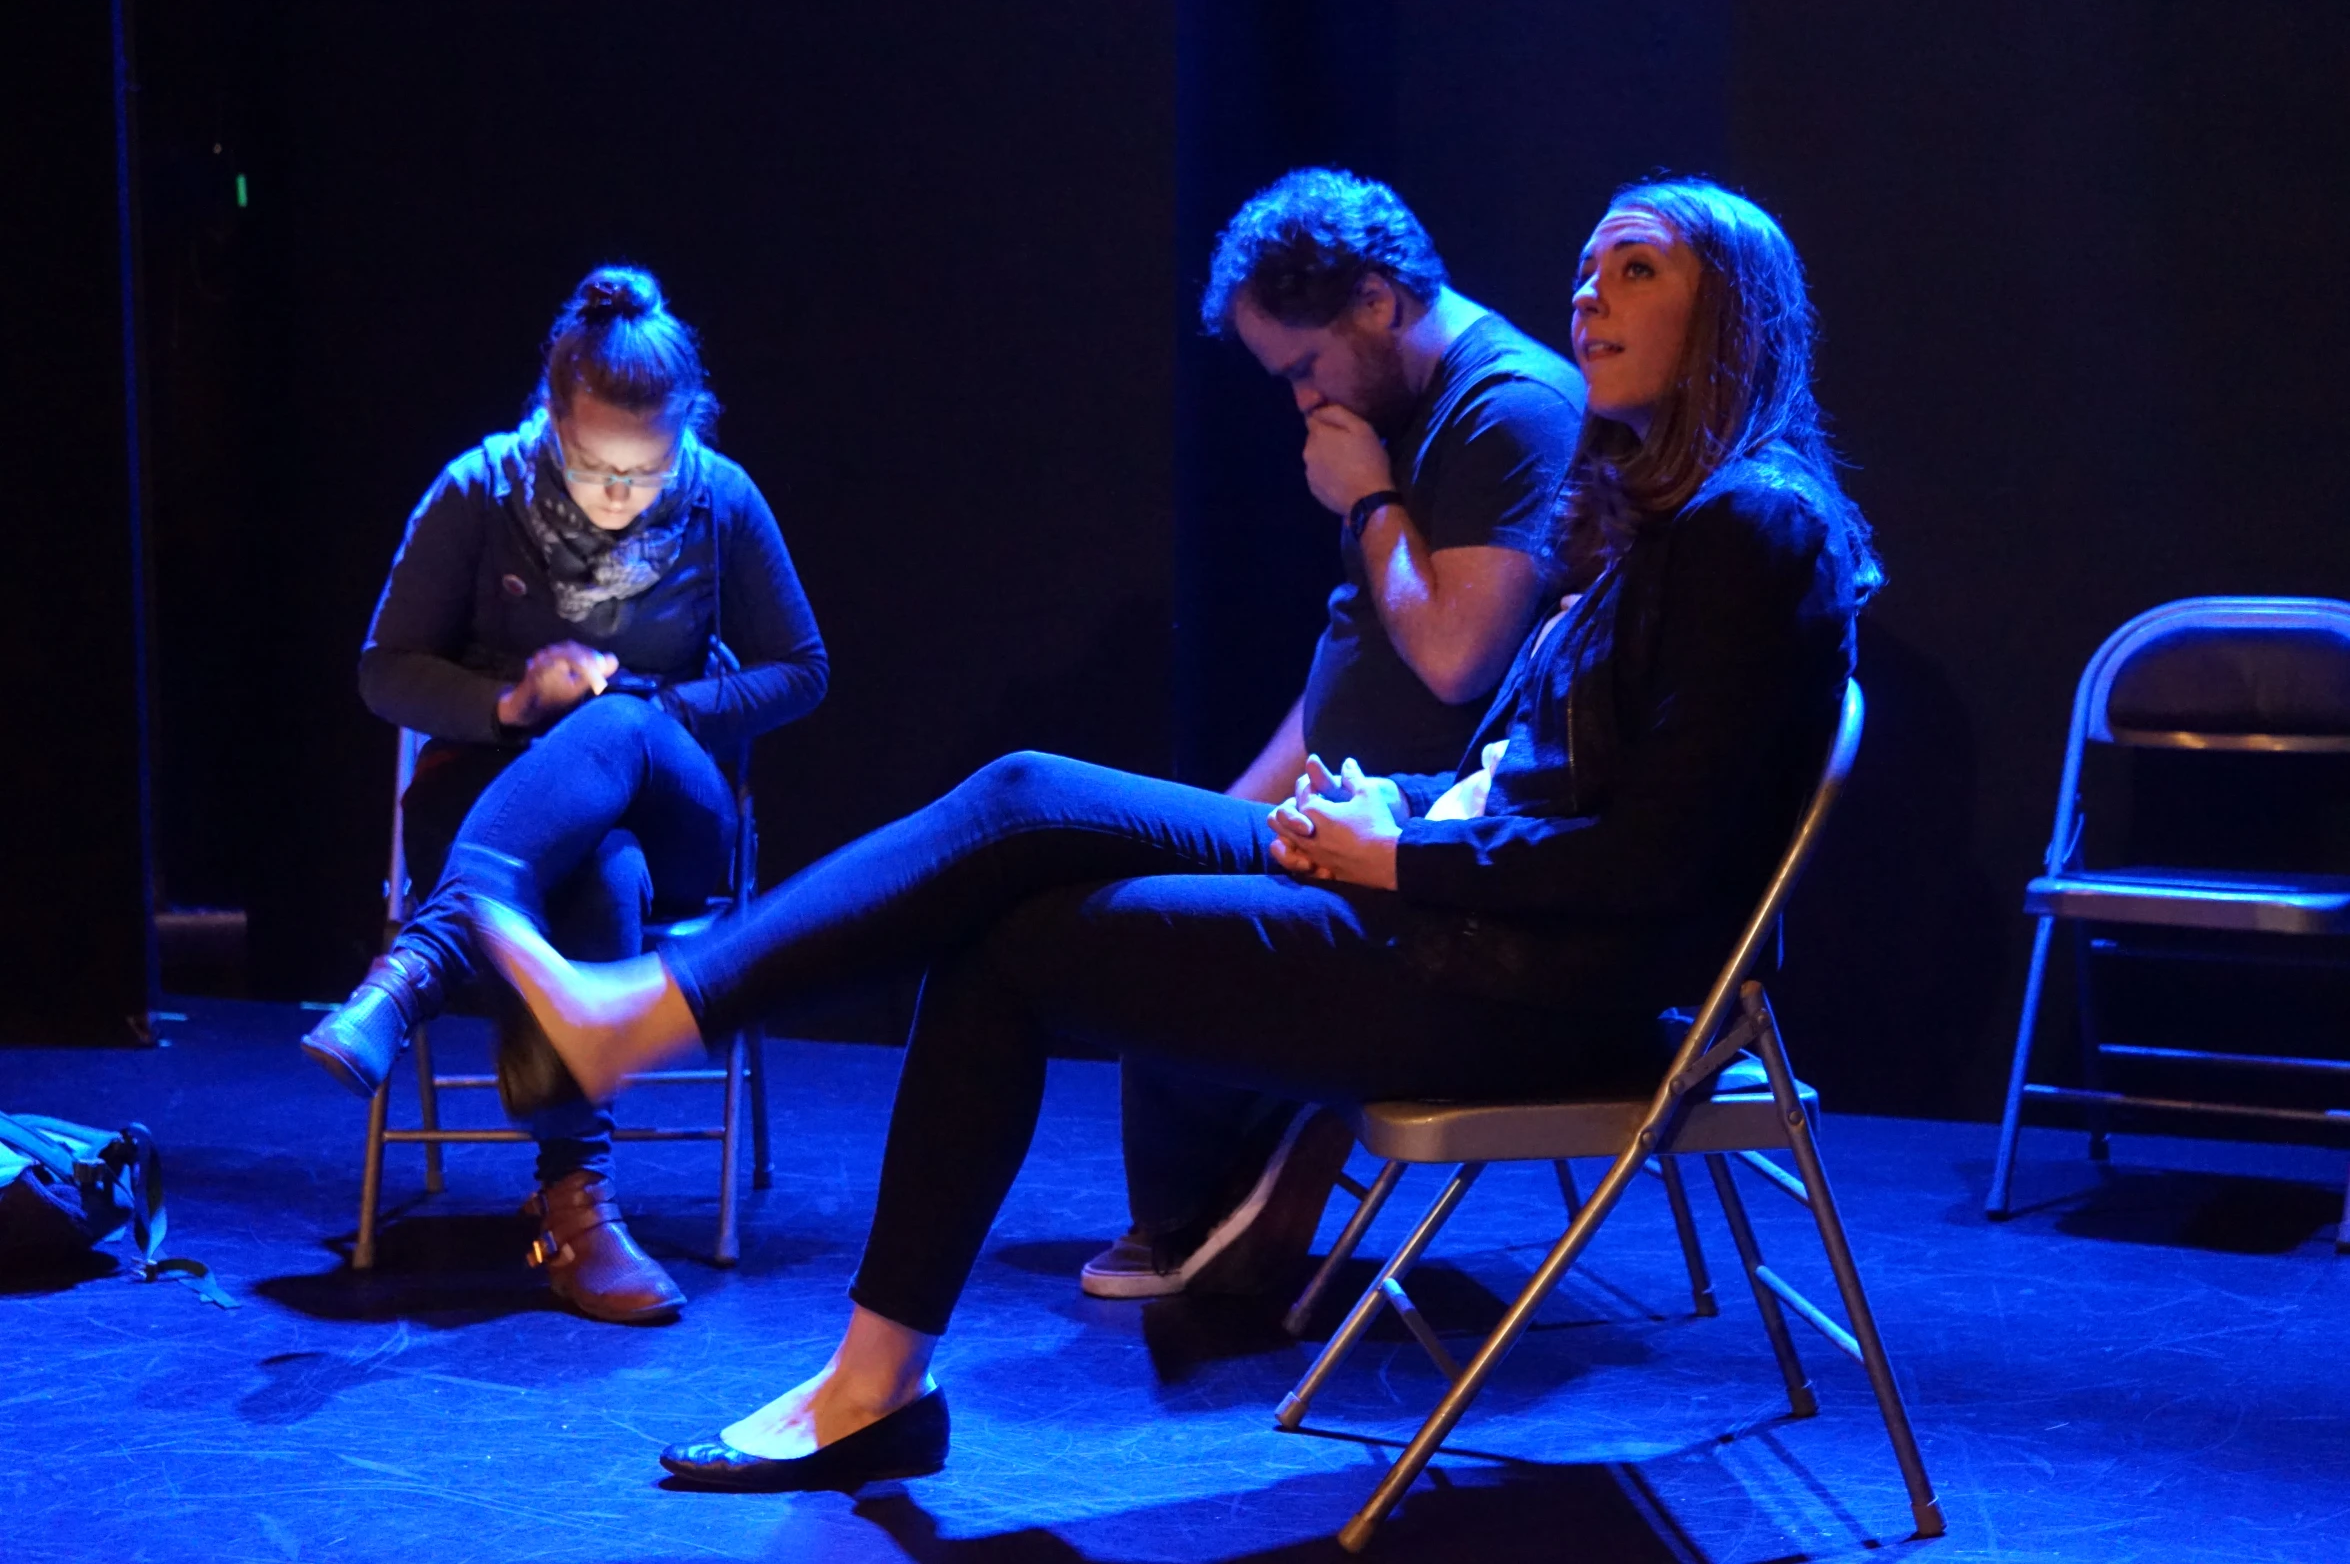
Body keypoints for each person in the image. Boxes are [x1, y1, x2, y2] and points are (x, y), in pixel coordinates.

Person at [470, 177, 1880, 1490]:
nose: (1586, 298)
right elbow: (1535, 774)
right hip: (1459, 912)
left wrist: (1397, 853)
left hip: (1521, 983)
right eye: (1581, 271)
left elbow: (1654, 862)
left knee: (1017, 895)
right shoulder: (1669, 515)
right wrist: (1396, 810)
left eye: (1633, 271)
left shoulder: (1751, 529)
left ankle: (753, 1177)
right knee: (1020, 829)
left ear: (1732, 309)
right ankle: (832, 1318)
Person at [298, 265, 828, 1323]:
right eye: (595, 467)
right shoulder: (478, 490)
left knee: (619, 720)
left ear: (685, 428)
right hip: (500, 813)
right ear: (551, 417)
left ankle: (417, 966)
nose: (620, 495)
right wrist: (510, 703)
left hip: (672, 798)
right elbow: (383, 670)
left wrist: (645, 701)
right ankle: (576, 1208)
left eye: (646, 468)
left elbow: (802, 669)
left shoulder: (721, 498)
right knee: (597, 866)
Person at [1093, 168, 1586, 1301]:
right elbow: (1355, 656)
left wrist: (1366, 499)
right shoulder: (1414, 415)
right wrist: (1232, 808)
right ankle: (1207, 1200)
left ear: (1375, 300)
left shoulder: (1510, 409)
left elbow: (1456, 656)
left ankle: (1221, 1206)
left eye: (1303, 364)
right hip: (1349, 796)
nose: (1300, 399)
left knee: (1154, 928)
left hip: (1425, 840)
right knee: (1131, 864)